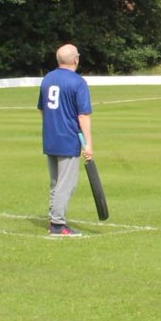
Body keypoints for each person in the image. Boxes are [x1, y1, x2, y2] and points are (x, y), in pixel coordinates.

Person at [38, 44, 93, 237]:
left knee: (55, 182)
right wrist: (88, 144)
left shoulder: (47, 79)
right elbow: (83, 116)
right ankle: (57, 224)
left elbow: (43, 110)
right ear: (75, 59)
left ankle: (53, 219)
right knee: (66, 184)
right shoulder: (78, 82)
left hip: (50, 138)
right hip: (68, 139)